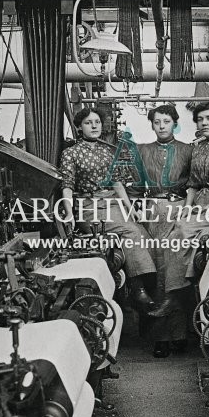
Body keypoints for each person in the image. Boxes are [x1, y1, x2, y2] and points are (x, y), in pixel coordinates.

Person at [149, 103, 209, 317]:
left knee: (184, 234)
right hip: (200, 204)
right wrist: (187, 207)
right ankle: (178, 294)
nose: (203, 123)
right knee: (173, 234)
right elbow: (193, 184)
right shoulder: (199, 148)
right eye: (200, 119)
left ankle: (175, 297)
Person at [60, 107, 157, 309]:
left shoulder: (107, 151)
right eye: (88, 123)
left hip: (112, 203)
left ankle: (136, 288)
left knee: (144, 234)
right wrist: (69, 212)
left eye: (97, 122)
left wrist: (131, 209)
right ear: (79, 127)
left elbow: (117, 183)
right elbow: (67, 186)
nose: (94, 126)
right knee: (130, 232)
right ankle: (137, 289)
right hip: (89, 206)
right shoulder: (70, 153)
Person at [129, 105, 193, 358]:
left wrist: (189, 211)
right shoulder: (142, 151)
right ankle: (160, 337)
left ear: (175, 123)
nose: (162, 126)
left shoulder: (189, 150)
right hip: (152, 212)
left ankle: (180, 334)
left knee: (178, 271)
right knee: (157, 271)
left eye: (167, 121)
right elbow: (134, 187)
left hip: (180, 212)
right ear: (152, 125)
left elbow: (194, 185)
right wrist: (134, 210)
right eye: (157, 122)